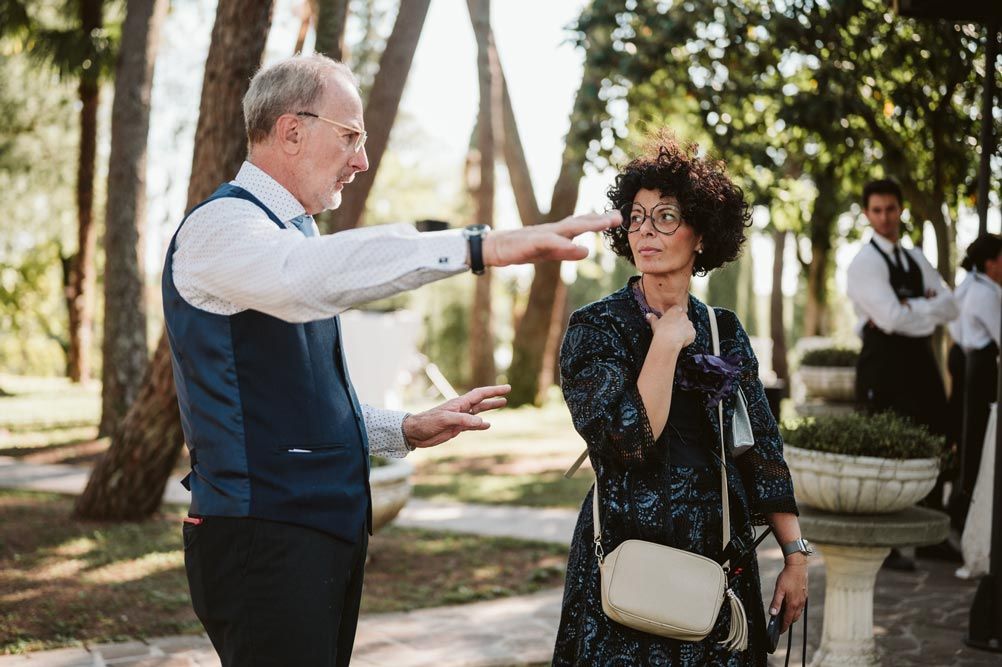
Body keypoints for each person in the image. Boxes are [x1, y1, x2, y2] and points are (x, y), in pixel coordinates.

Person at [162, 54, 621, 667]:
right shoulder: (221, 228)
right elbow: (306, 281)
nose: (362, 160)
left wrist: (402, 429)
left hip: (315, 539)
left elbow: (296, 398)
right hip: (261, 540)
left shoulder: (295, 235)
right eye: (351, 136)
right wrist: (483, 246)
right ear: (291, 129)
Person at [552, 136, 807, 666]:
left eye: (665, 216)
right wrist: (666, 343)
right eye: (637, 216)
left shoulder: (724, 330)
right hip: (626, 560)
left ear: (700, 235)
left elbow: (760, 448)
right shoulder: (595, 329)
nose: (645, 229)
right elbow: (629, 442)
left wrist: (795, 554)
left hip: (717, 557)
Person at [846, 178, 958, 570]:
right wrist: (918, 306)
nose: (884, 217)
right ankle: (888, 544)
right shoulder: (864, 264)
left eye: (890, 209)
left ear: (900, 210)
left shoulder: (916, 258)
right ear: (867, 213)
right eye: (876, 210)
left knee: (936, 437)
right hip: (884, 364)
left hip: (921, 360)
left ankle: (928, 535)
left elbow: (951, 306)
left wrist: (910, 307)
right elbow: (890, 320)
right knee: (888, 449)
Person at [952, 234, 1002, 532]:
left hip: (972, 363)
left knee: (971, 434)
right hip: (983, 367)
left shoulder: (972, 287)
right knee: (978, 437)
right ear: (991, 263)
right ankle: (966, 508)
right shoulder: (986, 293)